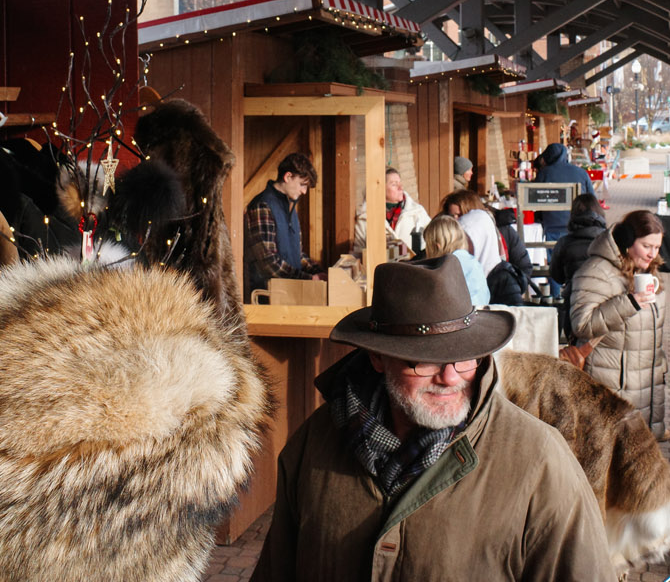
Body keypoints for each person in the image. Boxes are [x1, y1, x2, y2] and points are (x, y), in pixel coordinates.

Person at [252, 254, 613, 581]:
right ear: (378, 358)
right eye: (425, 361)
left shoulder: (539, 461)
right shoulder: (313, 445)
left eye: (465, 355)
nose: (450, 377)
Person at [570, 209, 670, 440]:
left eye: (657, 247)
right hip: (610, 391)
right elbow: (582, 324)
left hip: (645, 393)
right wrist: (629, 303)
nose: (652, 255)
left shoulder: (650, 273)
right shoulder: (597, 271)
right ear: (626, 242)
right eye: (646, 246)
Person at [244, 152, 322, 299]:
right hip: (269, 297)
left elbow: (297, 255)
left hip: (290, 292)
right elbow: (269, 264)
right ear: (288, 177)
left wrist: (318, 271)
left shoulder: (290, 207)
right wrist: (309, 279)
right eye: (302, 185)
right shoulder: (262, 205)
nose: (304, 192)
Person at [548, 193, 608, 315]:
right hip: (605, 303)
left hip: (574, 303)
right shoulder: (609, 240)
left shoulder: (564, 242)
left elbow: (557, 276)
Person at [354, 167, 431, 259]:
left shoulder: (417, 212)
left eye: (400, 183)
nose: (400, 188)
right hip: (380, 271)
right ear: (380, 188)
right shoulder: (365, 217)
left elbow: (431, 241)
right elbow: (359, 252)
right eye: (394, 184)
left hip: (413, 270)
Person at [420, 214, 489, 306]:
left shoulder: (448, 267)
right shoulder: (472, 262)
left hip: (459, 316)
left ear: (437, 246)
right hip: (480, 314)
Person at [533, 141, 594, 242]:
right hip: (578, 226)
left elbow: (534, 199)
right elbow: (592, 199)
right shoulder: (582, 173)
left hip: (551, 226)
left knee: (553, 256)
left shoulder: (544, 173)